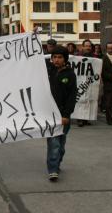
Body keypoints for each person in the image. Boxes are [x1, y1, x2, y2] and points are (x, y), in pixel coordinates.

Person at [45, 46, 77, 182]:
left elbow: (72, 96)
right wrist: (34, 35)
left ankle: (57, 162)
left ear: (65, 59)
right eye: (54, 57)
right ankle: (52, 169)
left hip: (63, 115)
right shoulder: (48, 70)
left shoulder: (70, 74)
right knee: (54, 143)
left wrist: (66, 115)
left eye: (59, 57)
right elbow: (33, 58)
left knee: (61, 145)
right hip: (49, 114)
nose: (56, 60)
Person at [77, 39, 94, 127]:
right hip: (80, 81)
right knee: (80, 100)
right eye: (86, 46)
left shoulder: (94, 57)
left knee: (88, 100)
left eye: (89, 46)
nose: (88, 47)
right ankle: (79, 119)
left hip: (90, 81)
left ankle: (86, 119)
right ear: (82, 47)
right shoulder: (78, 56)